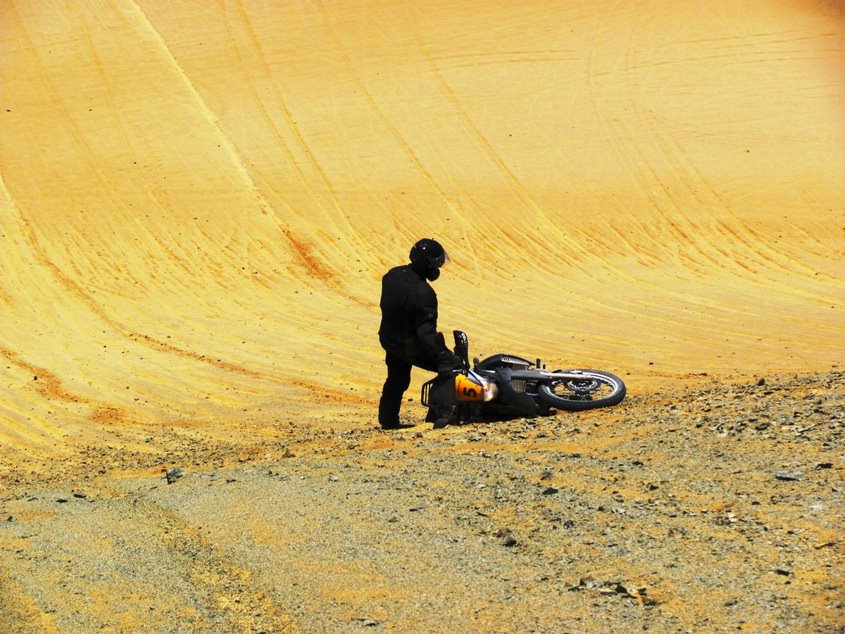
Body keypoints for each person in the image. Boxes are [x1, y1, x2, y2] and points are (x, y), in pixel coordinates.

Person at [378, 238, 462, 429]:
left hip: (390, 338)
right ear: (427, 264)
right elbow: (425, 333)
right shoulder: (425, 293)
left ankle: (388, 420)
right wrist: (445, 357)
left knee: (396, 378)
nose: (437, 269)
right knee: (450, 370)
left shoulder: (392, 275)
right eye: (436, 264)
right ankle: (438, 416)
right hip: (407, 343)